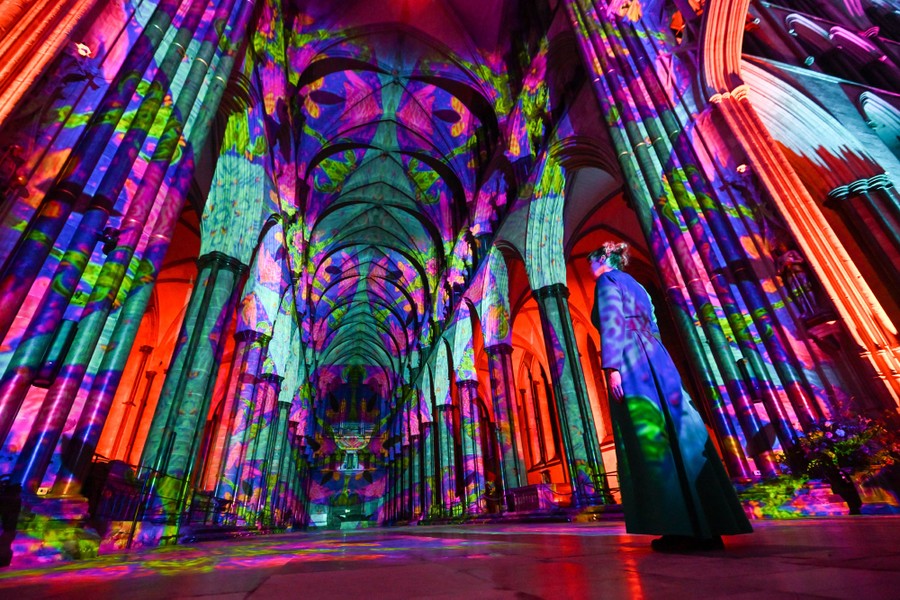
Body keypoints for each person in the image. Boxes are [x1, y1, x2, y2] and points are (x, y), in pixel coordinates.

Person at [589, 242, 752, 552]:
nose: (590, 269)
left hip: (631, 359)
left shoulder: (606, 281)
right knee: (682, 434)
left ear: (602, 259)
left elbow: (612, 323)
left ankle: (681, 528)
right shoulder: (636, 284)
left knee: (653, 438)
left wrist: (612, 366)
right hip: (657, 356)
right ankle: (710, 524)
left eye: (591, 263)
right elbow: (652, 323)